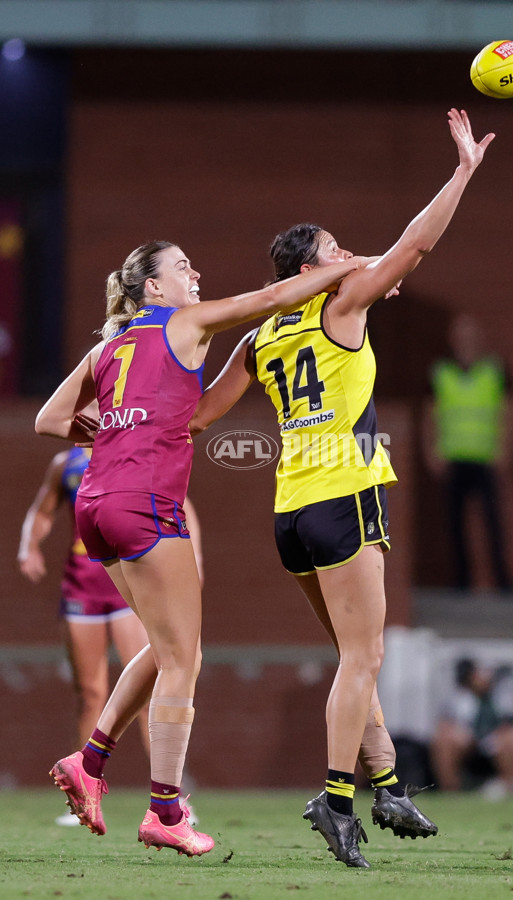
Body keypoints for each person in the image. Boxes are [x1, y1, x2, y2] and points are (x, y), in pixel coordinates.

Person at [188, 108, 495, 867]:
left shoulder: (263, 333)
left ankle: (387, 783)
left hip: (291, 510)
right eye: (335, 250)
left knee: (355, 658)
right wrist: (461, 173)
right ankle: (335, 798)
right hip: (346, 494)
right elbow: (417, 243)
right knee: (362, 659)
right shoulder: (340, 305)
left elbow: (200, 415)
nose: (351, 256)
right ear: (308, 271)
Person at [35, 241, 360, 857]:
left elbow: (48, 421)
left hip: (96, 508)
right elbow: (271, 299)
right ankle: (164, 810)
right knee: (187, 658)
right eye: (182, 267)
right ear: (153, 289)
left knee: (165, 648)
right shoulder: (184, 321)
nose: (196, 274)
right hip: (145, 503)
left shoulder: (108, 346)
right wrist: (351, 266)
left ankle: (90, 763)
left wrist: (103, 430)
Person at [17, 440, 202, 826]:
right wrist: (29, 546)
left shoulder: (134, 454)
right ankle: (83, 793)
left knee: (153, 681)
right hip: (81, 585)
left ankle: (170, 792)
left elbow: (180, 505)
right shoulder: (66, 464)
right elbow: (42, 509)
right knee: (90, 694)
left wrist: (193, 559)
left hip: (124, 581)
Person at [422, 313, 513, 592]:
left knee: (494, 524)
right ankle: (461, 583)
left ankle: (502, 582)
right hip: (452, 458)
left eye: (472, 335)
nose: (468, 341)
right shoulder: (441, 372)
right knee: (454, 526)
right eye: (462, 336)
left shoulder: (495, 370)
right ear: (454, 339)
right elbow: (428, 415)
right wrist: (430, 450)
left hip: (487, 458)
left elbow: (511, 411)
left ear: (481, 339)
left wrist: (506, 449)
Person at [429, 657, 513, 797]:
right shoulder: (458, 698)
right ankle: (450, 793)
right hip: (468, 743)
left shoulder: (505, 696)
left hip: (498, 743)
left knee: (511, 740)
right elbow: (445, 724)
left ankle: (509, 792)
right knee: (445, 740)